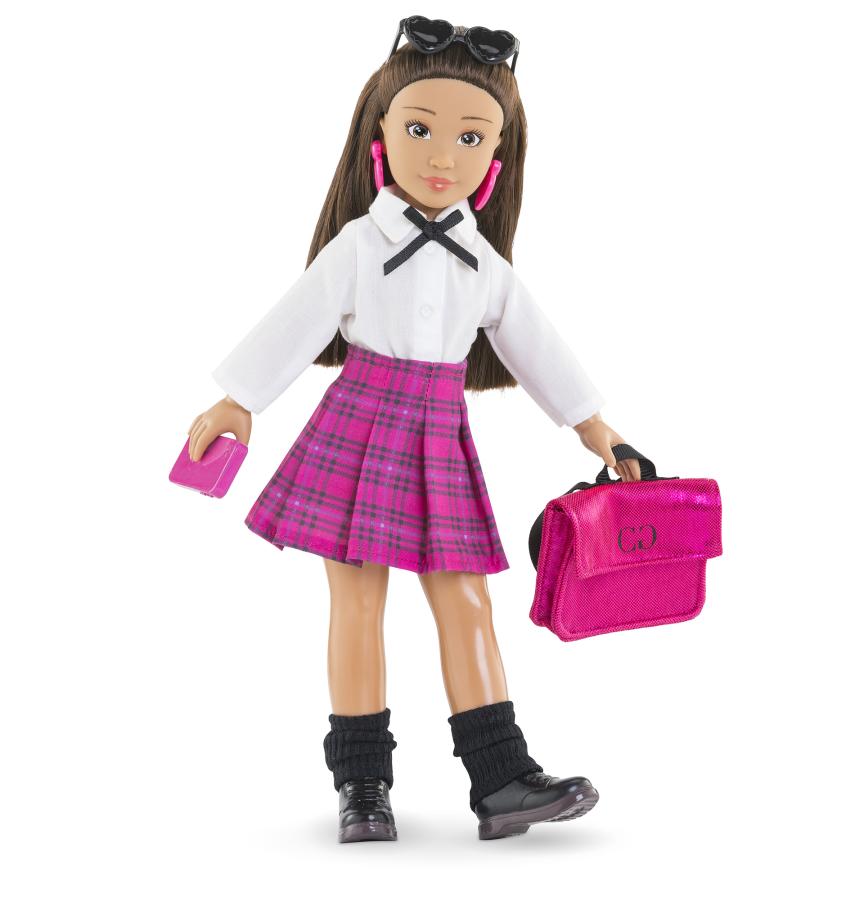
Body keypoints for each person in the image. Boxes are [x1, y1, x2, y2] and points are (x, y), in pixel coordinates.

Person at [185, 16, 641, 843]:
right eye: (421, 130)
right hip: (356, 424)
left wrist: (595, 427)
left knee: (466, 599)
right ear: (381, 137)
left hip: (438, 433)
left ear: (496, 159)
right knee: (357, 600)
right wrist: (238, 399)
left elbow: (537, 345)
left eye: (470, 138)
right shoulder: (360, 245)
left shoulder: (485, 266)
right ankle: (362, 786)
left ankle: (501, 780)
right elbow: (294, 322)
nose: (442, 157)